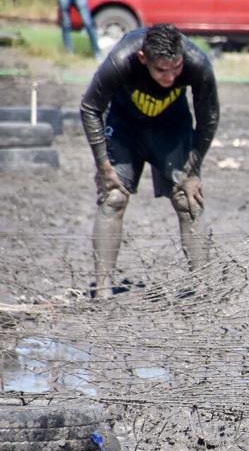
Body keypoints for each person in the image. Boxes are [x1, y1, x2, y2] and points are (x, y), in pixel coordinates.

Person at [80, 24, 217, 298]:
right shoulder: (122, 59)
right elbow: (90, 108)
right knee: (113, 198)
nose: (170, 77)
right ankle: (104, 288)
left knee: (187, 199)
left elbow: (208, 119)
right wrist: (103, 165)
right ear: (143, 58)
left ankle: (204, 288)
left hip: (171, 128)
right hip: (125, 126)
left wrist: (192, 169)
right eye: (161, 70)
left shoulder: (198, 63)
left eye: (176, 68)